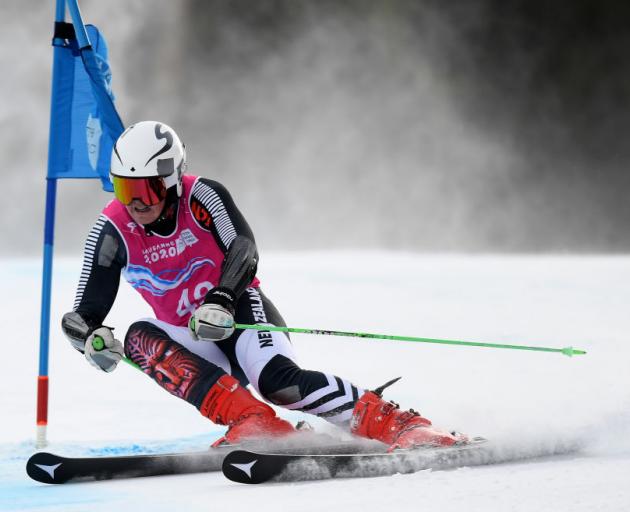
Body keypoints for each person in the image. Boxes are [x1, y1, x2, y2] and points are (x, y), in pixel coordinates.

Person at [62, 121, 465, 450]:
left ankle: (398, 423)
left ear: (171, 182)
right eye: (123, 188)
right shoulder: (112, 230)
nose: (136, 203)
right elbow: (84, 312)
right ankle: (252, 423)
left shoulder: (202, 195)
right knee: (138, 338)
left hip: (237, 315)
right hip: (193, 341)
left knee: (279, 383)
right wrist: (90, 339)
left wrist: (221, 298)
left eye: (146, 190)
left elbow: (243, 247)